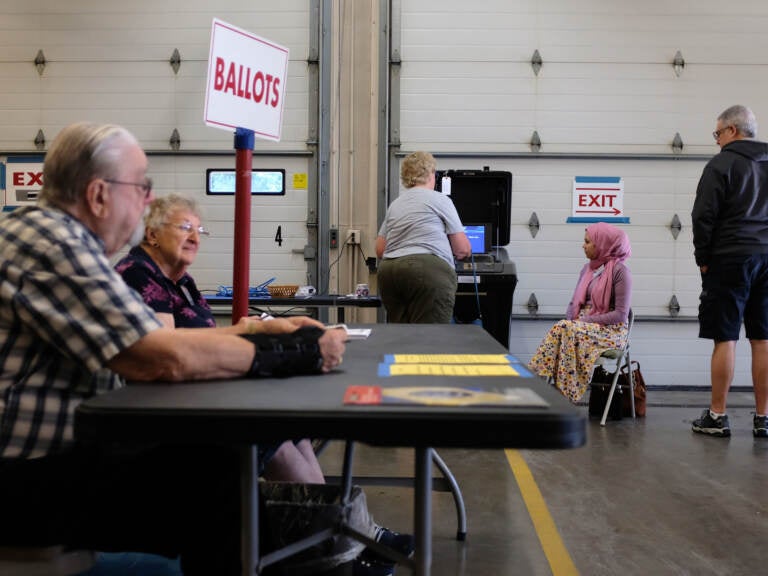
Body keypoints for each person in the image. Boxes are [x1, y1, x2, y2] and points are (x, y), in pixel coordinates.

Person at [0, 122, 404, 576]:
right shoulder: (57, 245)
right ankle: (311, 560)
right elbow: (159, 358)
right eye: (141, 187)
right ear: (98, 194)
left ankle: (307, 557)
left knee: (222, 461)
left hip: (48, 462)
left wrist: (259, 331)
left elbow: (167, 341)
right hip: (26, 481)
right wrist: (298, 354)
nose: (147, 201)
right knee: (217, 473)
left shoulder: (52, 237)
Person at [115, 193, 325, 482]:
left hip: (205, 394)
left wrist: (249, 328)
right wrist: (248, 332)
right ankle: (324, 518)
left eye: (199, 231)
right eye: (184, 227)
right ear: (152, 234)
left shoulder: (182, 281)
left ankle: (333, 515)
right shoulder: (139, 275)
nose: (195, 238)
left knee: (291, 427)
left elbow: (205, 336)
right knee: (270, 434)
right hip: (168, 412)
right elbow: (167, 355)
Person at [691, 104, 768, 438]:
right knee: (762, 339)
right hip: (766, 258)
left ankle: (717, 415)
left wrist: (703, 258)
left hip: (730, 258)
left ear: (732, 131)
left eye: (718, 133)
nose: (717, 141)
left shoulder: (721, 164)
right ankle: (764, 418)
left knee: (725, 337)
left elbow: (702, 217)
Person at [528, 222, 633, 403]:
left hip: (610, 330)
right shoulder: (588, 269)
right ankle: (559, 391)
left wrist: (586, 320)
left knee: (564, 329)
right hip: (582, 327)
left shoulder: (620, 272)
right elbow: (574, 302)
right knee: (564, 328)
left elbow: (621, 315)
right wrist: (573, 320)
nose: (583, 245)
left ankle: (541, 384)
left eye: (588, 242)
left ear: (602, 244)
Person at [375, 151, 471, 323]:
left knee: (401, 337)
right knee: (429, 339)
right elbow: (462, 249)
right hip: (427, 270)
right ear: (431, 174)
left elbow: (380, 250)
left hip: (389, 273)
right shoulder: (440, 200)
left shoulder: (396, 204)